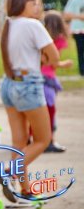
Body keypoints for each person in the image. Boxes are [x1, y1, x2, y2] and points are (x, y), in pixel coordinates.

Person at [0, 0, 60, 202]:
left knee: (19, 142)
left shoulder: (9, 24)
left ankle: (25, 191)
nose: (37, 5)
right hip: (28, 85)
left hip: (8, 84)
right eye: (32, 1)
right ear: (21, 3)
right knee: (42, 140)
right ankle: (9, 172)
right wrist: (58, 63)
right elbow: (53, 57)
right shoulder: (33, 25)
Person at [41, 11, 73, 153]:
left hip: (35, 78)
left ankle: (31, 138)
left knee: (35, 112)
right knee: (50, 111)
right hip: (48, 79)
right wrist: (64, 63)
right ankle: (50, 141)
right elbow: (53, 63)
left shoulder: (39, 38)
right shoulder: (59, 40)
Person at [63, 0, 84, 76]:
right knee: (80, 50)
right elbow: (66, 14)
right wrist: (79, 16)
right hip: (78, 29)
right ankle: (82, 70)